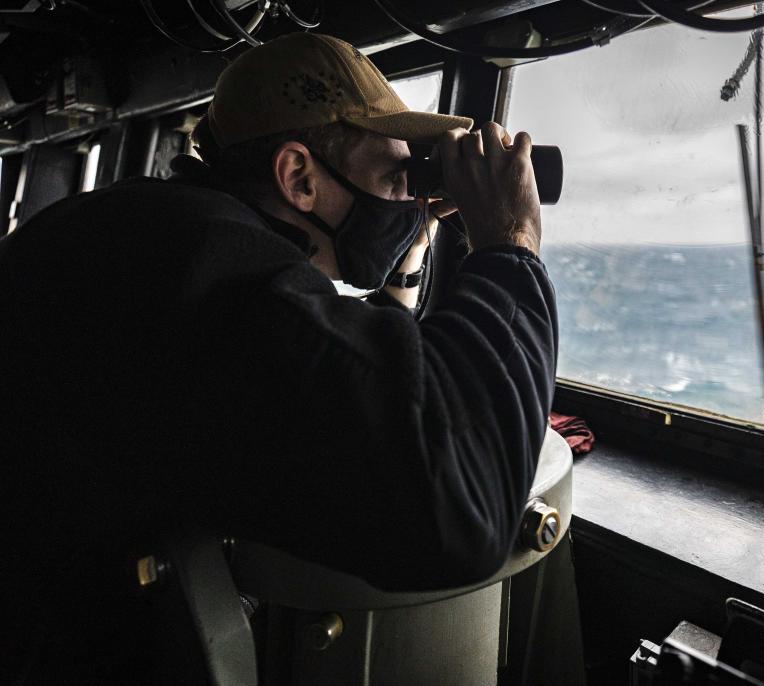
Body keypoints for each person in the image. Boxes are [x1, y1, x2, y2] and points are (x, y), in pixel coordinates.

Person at [0, 33, 557, 682]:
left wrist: (412, 229)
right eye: (396, 177)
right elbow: (463, 515)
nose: (407, 200)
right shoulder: (226, 284)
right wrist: (510, 241)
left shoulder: (150, 230)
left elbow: (373, 360)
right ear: (297, 177)